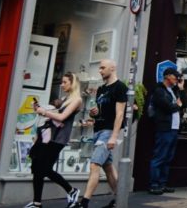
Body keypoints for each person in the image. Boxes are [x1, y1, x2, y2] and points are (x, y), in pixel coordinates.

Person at [76, 59, 126, 208]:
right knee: (108, 167)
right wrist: (94, 113)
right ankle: (120, 200)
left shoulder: (120, 87)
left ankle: (84, 203)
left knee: (94, 165)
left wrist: (114, 136)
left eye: (103, 68)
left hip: (108, 132)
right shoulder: (101, 89)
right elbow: (99, 112)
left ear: (112, 68)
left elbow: (120, 114)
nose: (100, 70)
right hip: (97, 131)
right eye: (99, 68)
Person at [28, 72, 82, 208]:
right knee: (37, 168)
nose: (62, 85)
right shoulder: (65, 98)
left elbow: (62, 117)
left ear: (73, 83)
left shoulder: (77, 100)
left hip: (58, 138)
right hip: (47, 136)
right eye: (62, 82)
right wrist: (41, 109)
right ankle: (36, 203)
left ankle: (71, 190)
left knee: (44, 168)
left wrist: (44, 112)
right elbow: (54, 115)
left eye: (65, 82)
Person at [147, 68, 183, 195]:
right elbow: (167, 107)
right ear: (167, 76)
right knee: (159, 156)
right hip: (164, 128)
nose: (177, 79)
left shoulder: (173, 91)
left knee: (168, 158)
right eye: (175, 76)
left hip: (174, 128)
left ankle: (162, 184)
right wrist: (177, 105)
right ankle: (154, 184)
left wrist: (180, 89)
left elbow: (183, 104)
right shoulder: (159, 90)